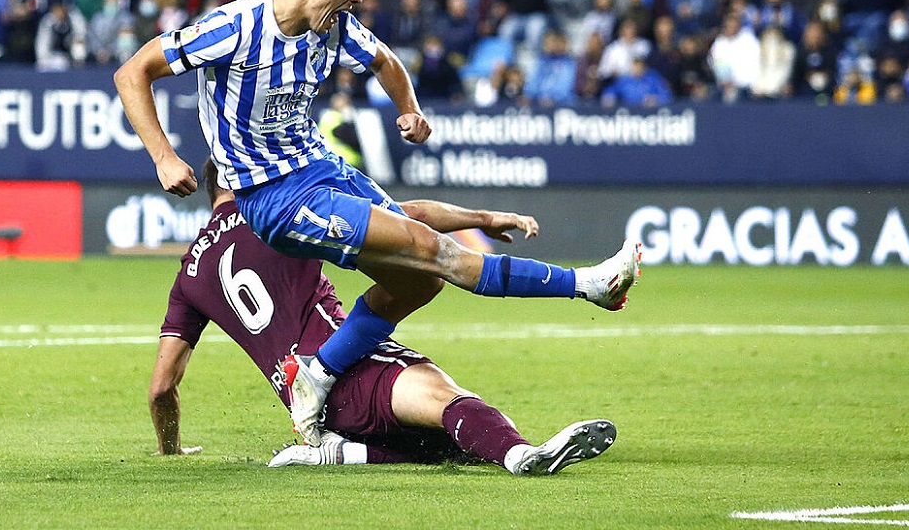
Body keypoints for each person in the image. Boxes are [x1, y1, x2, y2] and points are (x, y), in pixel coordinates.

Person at [115, 0, 640, 448]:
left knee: (422, 277)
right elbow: (132, 71)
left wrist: (408, 109)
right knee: (433, 252)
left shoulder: (335, 26)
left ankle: (316, 377)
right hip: (273, 195)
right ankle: (589, 285)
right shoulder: (235, 28)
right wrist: (164, 157)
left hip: (323, 169)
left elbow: (386, 61)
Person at [150, 161, 617, 475]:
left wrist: (170, 450)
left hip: (306, 404)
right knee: (448, 400)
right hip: (354, 367)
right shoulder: (276, 215)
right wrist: (482, 217)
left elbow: (161, 387)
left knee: (447, 440)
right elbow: (406, 217)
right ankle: (523, 456)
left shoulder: (189, 271)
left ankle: (344, 453)